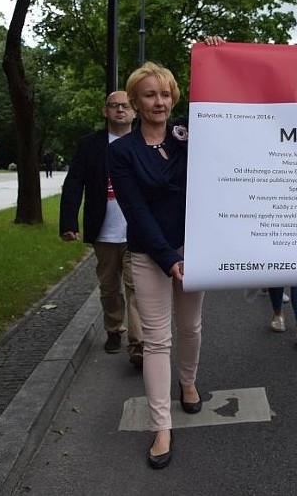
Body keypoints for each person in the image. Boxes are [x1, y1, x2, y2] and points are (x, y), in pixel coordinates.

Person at [109, 60, 206, 470]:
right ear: (134, 101)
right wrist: (170, 259)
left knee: (191, 327)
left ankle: (188, 382)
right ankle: (161, 426)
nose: (159, 102)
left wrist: (214, 55)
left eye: (165, 94)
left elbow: (232, 110)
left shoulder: (189, 132)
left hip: (196, 249)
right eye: (149, 94)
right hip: (151, 253)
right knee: (156, 339)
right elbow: (136, 210)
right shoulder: (122, 152)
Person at [59, 91, 143, 365]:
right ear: (104, 111)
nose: (120, 110)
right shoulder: (90, 145)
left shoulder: (145, 140)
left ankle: (138, 343)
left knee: (136, 287)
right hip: (104, 231)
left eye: (126, 105)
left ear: (135, 111)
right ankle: (114, 330)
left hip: (138, 232)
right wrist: (69, 222)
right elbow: (73, 183)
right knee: (109, 288)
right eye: (114, 105)